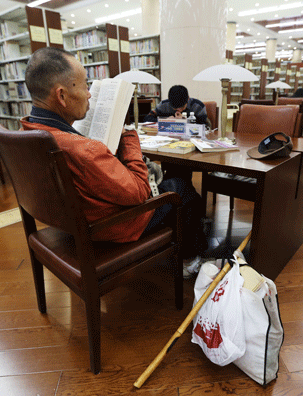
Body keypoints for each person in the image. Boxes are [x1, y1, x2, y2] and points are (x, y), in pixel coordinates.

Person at [20, 47, 207, 277]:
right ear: (61, 96)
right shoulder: (82, 149)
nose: (89, 94)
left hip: (68, 221)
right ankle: (192, 259)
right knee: (181, 188)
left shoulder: (25, 132)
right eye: (85, 85)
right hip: (111, 226)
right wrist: (128, 136)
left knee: (173, 185)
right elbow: (140, 192)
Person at [144, 85, 210, 127]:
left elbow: (206, 126)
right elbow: (147, 118)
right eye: (175, 108)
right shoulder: (164, 105)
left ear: (188, 99)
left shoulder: (198, 106)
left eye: (182, 107)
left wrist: (186, 121)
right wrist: (165, 120)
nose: (179, 110)